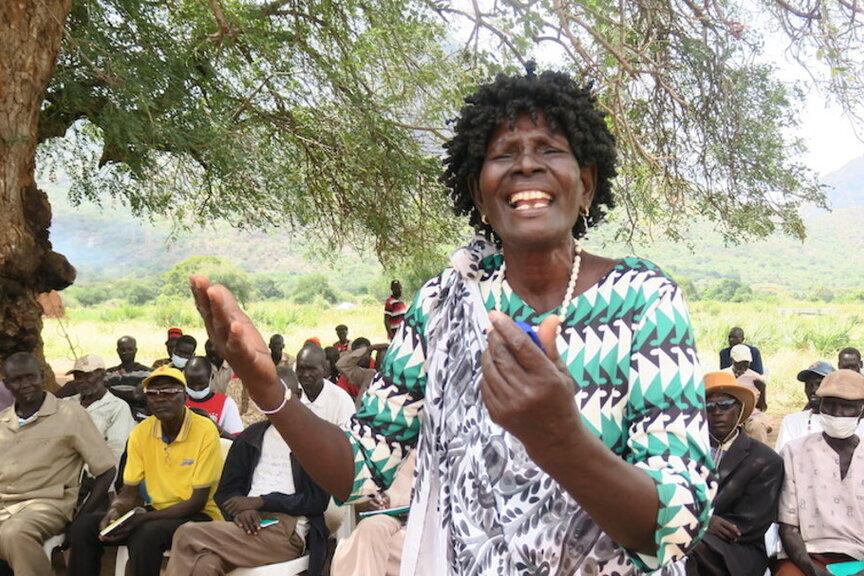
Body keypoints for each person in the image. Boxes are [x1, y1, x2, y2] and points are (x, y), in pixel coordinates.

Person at [192, 68, 714, 575]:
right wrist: (265, 385)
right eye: (504, 154)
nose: (525, 165)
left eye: (550, 149)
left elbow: (676, 523)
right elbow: (359, 468)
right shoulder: (444, 303)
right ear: (479, 193)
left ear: (587, 184)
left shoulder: (644, 301)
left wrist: (562, 441)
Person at [164, 373, 329, 576]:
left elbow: (317, 500)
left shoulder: (312, 440)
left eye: (282, 396)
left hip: (286, 530)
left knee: (186, 533)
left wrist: (262, 501)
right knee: (204, 566)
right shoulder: (251, 436)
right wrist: (239, 512)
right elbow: (226, 491)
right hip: (245, 525)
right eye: (267, 396)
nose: (275, 403)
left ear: (298, 394)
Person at [68, 365, 223, 576]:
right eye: (153, 393)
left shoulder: (205, 430)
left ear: (185, 397)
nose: (160, 398)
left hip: (200, 516)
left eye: (169, 391)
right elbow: (129, 492)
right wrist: (116, 510)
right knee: (84, 526)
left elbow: (197, 501)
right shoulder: (141, 432)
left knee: (146, 533)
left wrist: (143, 519)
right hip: (157, 511)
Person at [0, 352, 116, 576]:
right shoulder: (3, 421)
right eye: (17, 379)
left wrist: (81, 518)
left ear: (42, 376)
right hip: (4, 503)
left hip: (47, 503)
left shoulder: (70, 415)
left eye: (30, 377)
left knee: (13, 533)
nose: (25, 384)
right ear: (6, 384)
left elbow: (107, 470)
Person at [682, 372, 783, 576]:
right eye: (709, 406)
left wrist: (697, 523)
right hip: (689, 531)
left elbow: (747, 525)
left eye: (725, 404)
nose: (717, 412)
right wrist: (703, 521)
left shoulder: (765, 460)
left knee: (685, 545)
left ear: (740, 408)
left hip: (738, 549)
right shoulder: (682, 452)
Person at [774, 369, 864, 576]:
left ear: (861, 409)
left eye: (847, 406)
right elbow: (788, 528)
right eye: (830, 404)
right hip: (808, 556)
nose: (837, 413)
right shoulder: (794, 452)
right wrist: (815, 572)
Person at [332, 451, 415, 576]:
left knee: (359, 551)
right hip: (396, 516)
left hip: (433, 526)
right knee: (369, 530)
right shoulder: (406, 446)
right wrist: (380, 499)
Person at [67, 353, 136, 461]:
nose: (80, 381)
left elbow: (115, 451)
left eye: (87, 376)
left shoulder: (118, 407)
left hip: (94, 468)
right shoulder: (66, 403)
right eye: (77, 377)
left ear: (102, 375)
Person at [295, 344, 355, 428]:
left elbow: (347, 434)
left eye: (311, 369)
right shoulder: (289, 395)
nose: (306, 374)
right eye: (301, 368)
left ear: (324, 369)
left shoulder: (342, 400)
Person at [184, 356, 243, 438]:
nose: (196, 389)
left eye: (201, 384)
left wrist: (213, 425)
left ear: (211, 377)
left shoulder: (226, 403)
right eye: (191, 383)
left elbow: (237, 440)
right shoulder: (178, 401)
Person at [336, 340, 389, 405]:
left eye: (384, 362)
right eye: (378, 359)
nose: (380, 365)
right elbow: (340, 365)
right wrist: (370, 348)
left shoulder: (396, 382)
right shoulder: (369, 374)